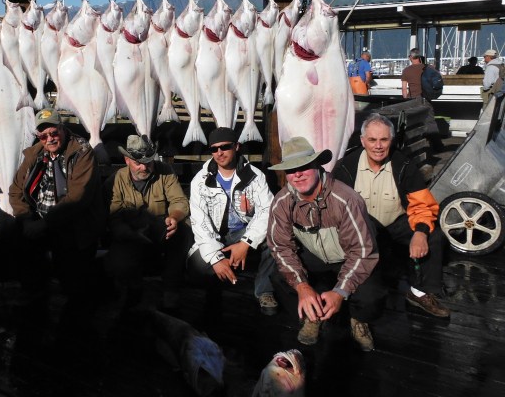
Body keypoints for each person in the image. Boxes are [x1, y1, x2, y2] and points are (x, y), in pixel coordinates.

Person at [267, 137, 385, 351]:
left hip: (351, 257)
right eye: (291, 170)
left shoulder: (346, 199)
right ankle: (312, 316)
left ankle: (358, 319)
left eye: (304, 167)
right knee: (279, 277)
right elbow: (281, 247)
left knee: (372, 295)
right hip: (316, 257)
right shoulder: (281, 202)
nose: (298, 174)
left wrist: (340, 291)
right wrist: (302, 286)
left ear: (317, 165)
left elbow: (362, 253)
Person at [332, 114, 450, 318]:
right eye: (372, 140)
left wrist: (420, 233)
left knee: (434, 237)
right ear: (362, 141)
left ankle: (418, 293)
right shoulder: (345, 166)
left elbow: (422, 204)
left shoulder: (403, 164)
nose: (378, 146)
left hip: (396, 222)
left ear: (391, 140)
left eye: (384, 140)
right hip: (361, 228)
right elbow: (334, 207)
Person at [7, 108, 104, 334]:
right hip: (39, 219)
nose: (49, 139)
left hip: (73, 223)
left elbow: (77, 199)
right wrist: (26, 219)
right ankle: (34, 291)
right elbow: (15, 191)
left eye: (54, 132)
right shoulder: (35, 153)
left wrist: (43, 224)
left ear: (63, 129)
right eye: (43, 135)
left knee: (76, 289)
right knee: (12, 237)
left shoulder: (82, 152)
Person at [187, 127, 278, 316]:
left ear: (236, 147)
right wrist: (215, 258)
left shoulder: (255, 176)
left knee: (275, 238)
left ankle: (264, 291)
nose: (219, 153)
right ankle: (215, 296)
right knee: (199, 265)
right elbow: (200, 222)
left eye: (225, 147)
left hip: (243, 232)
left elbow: (267, 211)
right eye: (214, 149)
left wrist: (246, 243)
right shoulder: (200, 181)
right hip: (215, 235)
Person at [104, 135, 192, 313]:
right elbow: (113, 218)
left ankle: (171, 292)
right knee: (118, 263)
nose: (144, 167)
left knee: (183, 231)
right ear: (127, 160)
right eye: (138, 162)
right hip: (129, 235)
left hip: (160, 229)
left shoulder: (165, 171)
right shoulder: (115, 180)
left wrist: (174, 218)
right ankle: (133, 289)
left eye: (149, 162)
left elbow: (179, 201)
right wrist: (129, 233)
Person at [401, 48, 441, 147]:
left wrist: (405, 101)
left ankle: (415, 144)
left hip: (412, 100)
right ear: (420, 57)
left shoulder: (406, 70)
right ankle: (437, 145)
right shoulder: (429, 67)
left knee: (413, 123)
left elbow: (404, 89)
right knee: (430, 122)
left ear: (411, 57)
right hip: (426, 98)